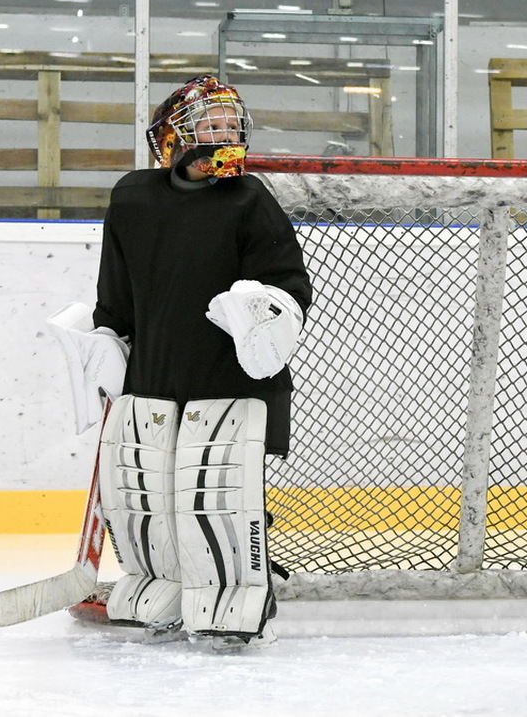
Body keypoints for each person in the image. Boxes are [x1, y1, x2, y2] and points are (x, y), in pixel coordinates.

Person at [85, 74, 312, 648]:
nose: (226, 132)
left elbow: (289, 285)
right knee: (144, 493)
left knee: (214, 496)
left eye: (233, 123)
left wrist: (265, 311)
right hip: (155, 375)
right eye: (212, 123)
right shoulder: (133, 196)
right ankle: (158, 583)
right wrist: (107, 337)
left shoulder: (248, 197)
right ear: (174, 135)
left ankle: (234, 593)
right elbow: (115, 291)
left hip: (228, 379)